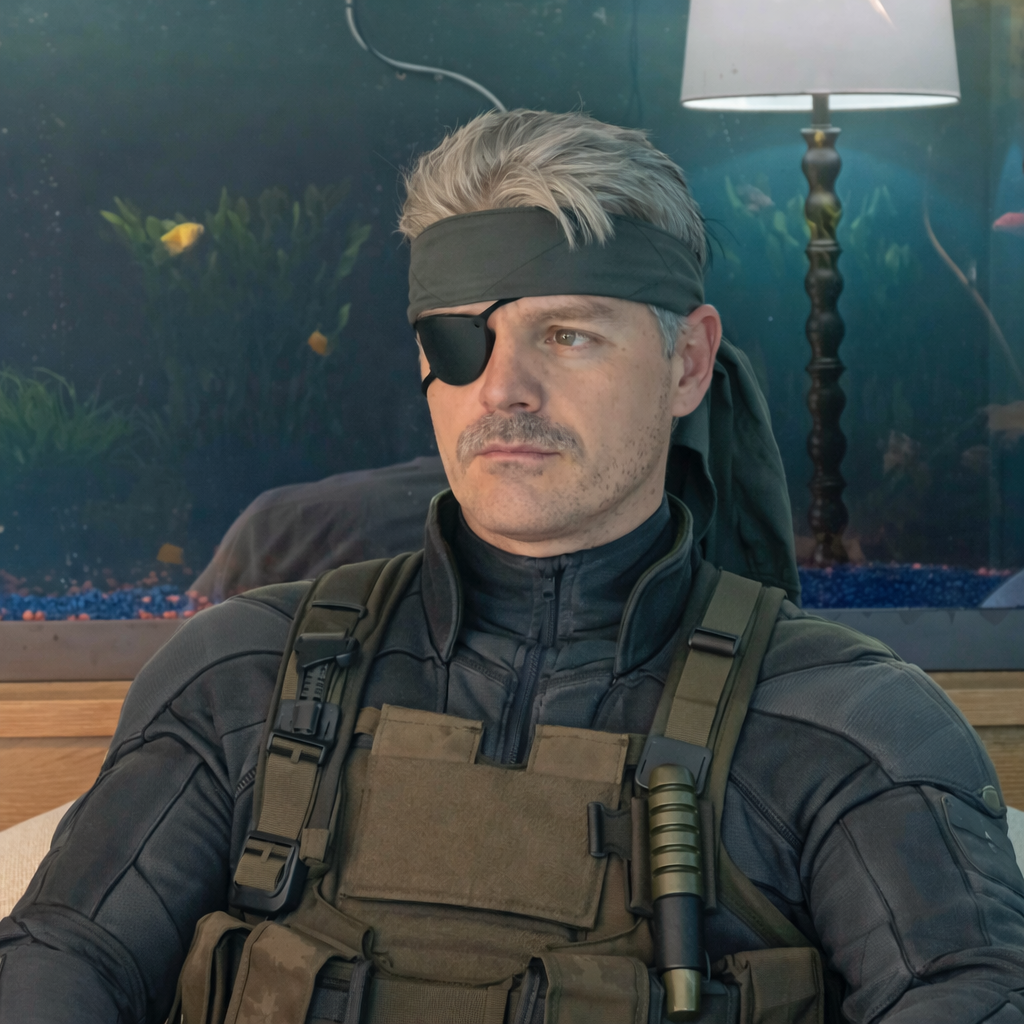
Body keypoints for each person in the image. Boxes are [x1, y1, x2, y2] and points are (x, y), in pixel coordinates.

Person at [1, 110, 1022, 1024]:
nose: (503, 390)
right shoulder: (243, 677)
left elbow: (969, 989)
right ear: (424, 362)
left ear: (686, 364)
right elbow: (63, 956)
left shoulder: (842, 724)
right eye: (464, 341)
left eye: (567, 335)